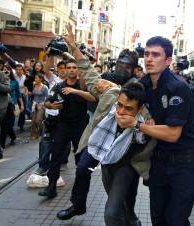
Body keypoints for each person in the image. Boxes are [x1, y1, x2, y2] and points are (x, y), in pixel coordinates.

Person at [116, 36, 194, 226]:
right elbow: (124, 100)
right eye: (146, 54)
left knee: (176, 221)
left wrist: (137, 124)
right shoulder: (143, 84)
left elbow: (173, 134)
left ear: (168, 60)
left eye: (155, 55)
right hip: (157, 163)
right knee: (158, 219)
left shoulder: (178, 87)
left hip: (184, 165)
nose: (149, 59)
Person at [56, 82, 147, 223]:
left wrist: (138, 126)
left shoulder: (144, 126)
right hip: (104, 160)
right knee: (83, 169)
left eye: (128, 109)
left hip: (126, 166)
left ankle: (131, 218)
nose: (121, 112)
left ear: (140, 109)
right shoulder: (110, 105)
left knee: (113, 212)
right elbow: (93, 79)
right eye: (119, 105)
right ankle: (79, 205)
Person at [38, 59, 95, 199]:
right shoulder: (59, 86)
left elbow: (93, 98)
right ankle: (51, 187)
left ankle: (80, 189)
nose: (71, 70)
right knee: (56, 156)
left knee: (81, 159)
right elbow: (47, 102)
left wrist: (75, 91)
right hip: (62, 125)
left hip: (80, 126)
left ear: (78, 70)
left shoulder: (83, 85)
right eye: (69, 67)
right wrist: (51, 106)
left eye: (74, 67)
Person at [0, 65, 24, 148]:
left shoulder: (14, 82)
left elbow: (18, 94)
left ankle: (12, 137)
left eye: (7, 71)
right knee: (4, 124)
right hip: (1, 104)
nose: (5, 72)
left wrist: (22, 105)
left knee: (9, 124)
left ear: (10, 72)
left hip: (12, 104)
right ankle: (1, 144)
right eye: (3, 71)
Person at [30, 74, 48, 139]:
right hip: (34, 104)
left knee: (38, 120)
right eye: (35, 78)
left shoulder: (45, 87)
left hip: (42, 105)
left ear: (41, 79)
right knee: (33, 120)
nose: (35, 79)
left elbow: (47, 97)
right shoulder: (34, 85)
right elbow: (33, 94)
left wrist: (46, 105)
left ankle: (44, 131)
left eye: (36, 78)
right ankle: (34, 134)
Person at [15, 63, 27, 131]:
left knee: (23, 111)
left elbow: (27, 87)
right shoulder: (13, 77)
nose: (18, 71)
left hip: (22, 95)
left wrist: (26, 91)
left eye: (20, 69)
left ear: (22, 70)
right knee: (15, 111)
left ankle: (21, 125)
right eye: (17, 70)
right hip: (15, 95)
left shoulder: (25, 77)